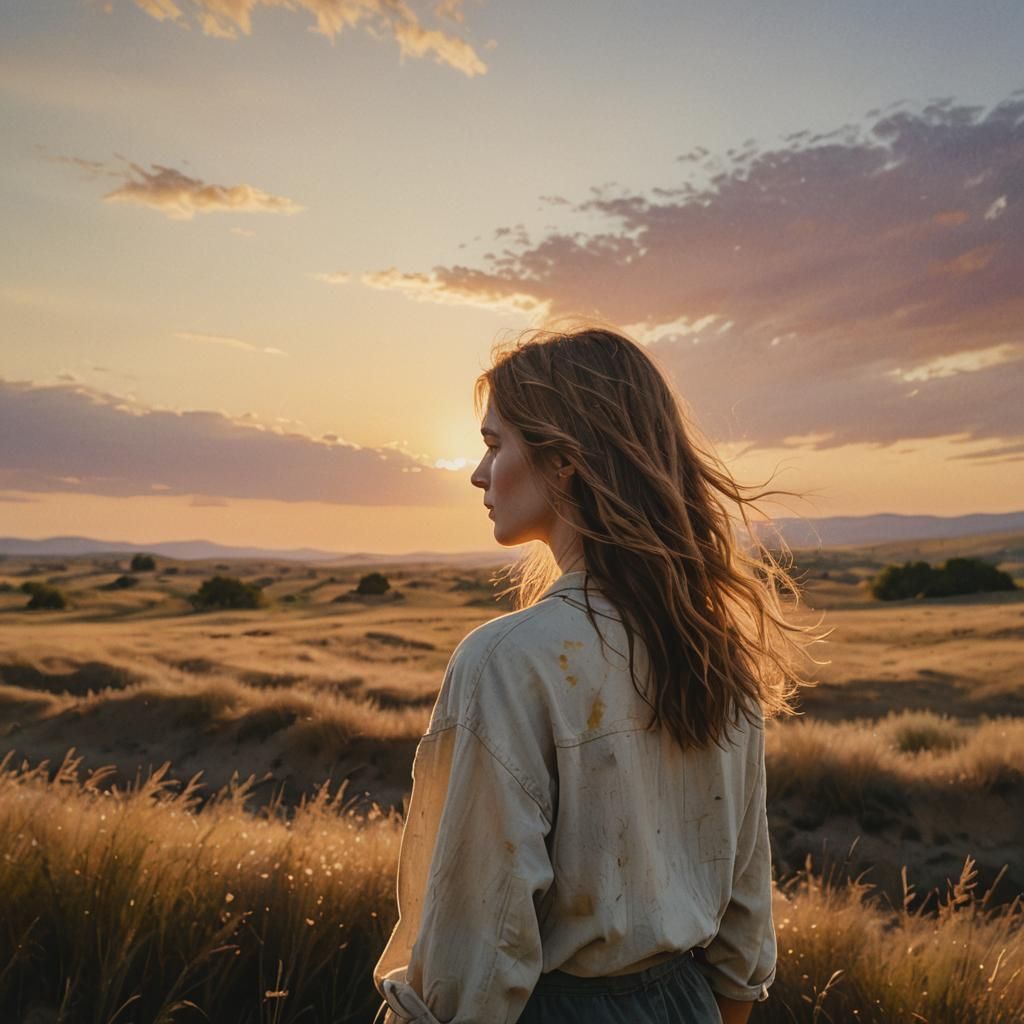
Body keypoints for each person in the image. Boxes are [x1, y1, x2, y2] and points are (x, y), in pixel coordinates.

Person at [372, 324, 827, 1024]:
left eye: (496, 445)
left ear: (566, 463)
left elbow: (473, 959)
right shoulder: (715, 654)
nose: (476, 473)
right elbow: (742, 940)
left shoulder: (506, 661)